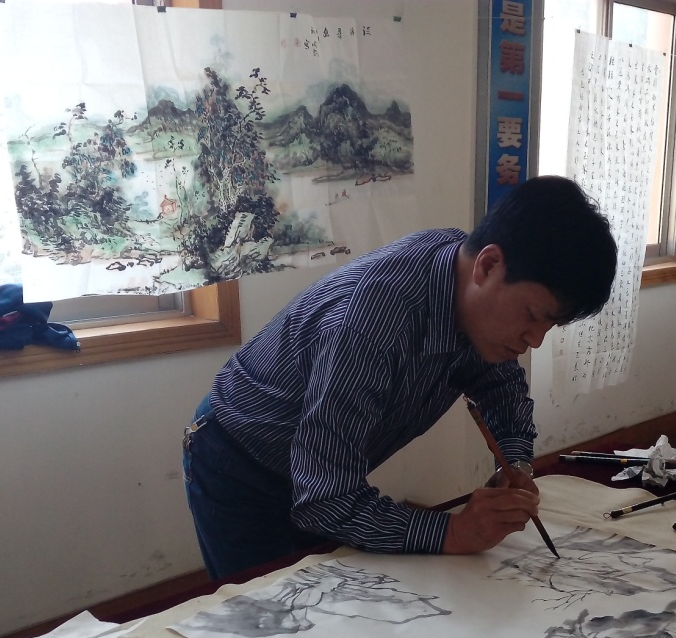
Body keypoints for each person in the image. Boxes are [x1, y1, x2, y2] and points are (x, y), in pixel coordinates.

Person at [183, 175, 617, 579]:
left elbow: (500, 384)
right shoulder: (372, 323)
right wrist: (453, 532)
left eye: (550, 325)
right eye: (533, 316)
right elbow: (326, 499)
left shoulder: (468, 286)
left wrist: (515, 463)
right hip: (241, 463)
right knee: (269, 612)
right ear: (488, 266)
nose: (535, 340)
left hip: (317, 468)